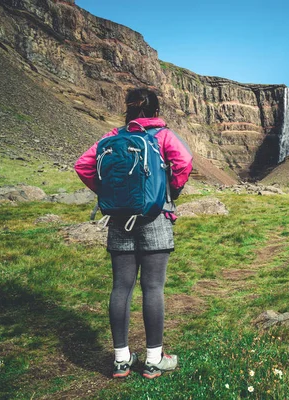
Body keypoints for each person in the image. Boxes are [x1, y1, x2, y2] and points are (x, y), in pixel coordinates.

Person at [74, 88, 193, 379]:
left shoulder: (111, 137)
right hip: (155, 218)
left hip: (118, 219)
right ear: (155, 110)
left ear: (128, 111)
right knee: (153, 288)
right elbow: (185, 163)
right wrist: (169, 191)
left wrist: (110, 195)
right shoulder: (163, 135)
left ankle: (121, 360)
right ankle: (154, 360)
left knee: (121, 288)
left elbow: (83, 164)